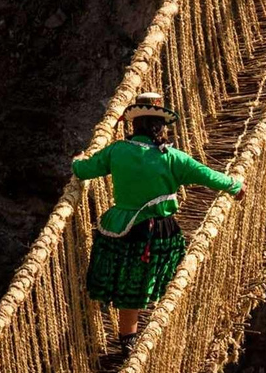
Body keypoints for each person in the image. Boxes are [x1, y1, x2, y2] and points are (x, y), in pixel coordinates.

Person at [71, 92, 244, 354]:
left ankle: (127, 337)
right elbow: (209, 177)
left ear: (134, 125)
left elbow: (84, 170)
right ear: (160, 126)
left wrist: (77, 160)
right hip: (158, 232)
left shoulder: (117, 151)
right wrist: (235, 187)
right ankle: (156, 322)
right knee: (163, 278)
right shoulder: (173, 158)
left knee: (128, 282)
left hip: (119, 226)